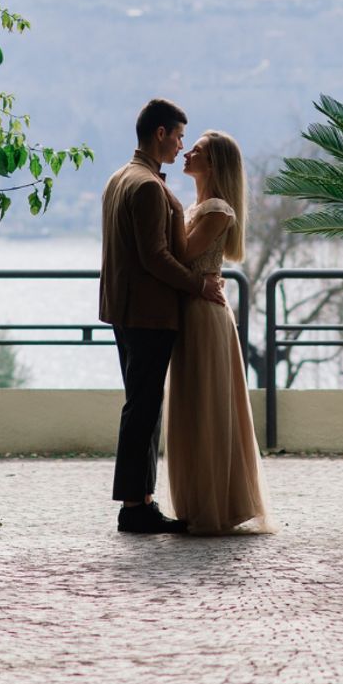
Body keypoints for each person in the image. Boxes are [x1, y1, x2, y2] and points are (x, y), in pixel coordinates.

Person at [100, 98, 224, 535]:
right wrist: (199, 285)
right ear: (160, 134)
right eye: (178, 137)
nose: (180, 145)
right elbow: (156, 257)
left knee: (141, 406)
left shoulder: (120, 178)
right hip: (148, 314)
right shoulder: (149, 186)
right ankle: (134, 506)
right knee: (143, 408)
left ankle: (142, 500)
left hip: (123, 310)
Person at [164, 130, 274, 535]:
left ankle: (215, 504)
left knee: (208, 407)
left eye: (198, 151)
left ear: (214, 165)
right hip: (194, 310)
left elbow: (185, 255)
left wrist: (168, 209)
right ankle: (199, 501)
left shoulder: (215, 210)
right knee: (196, 407)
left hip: (204, 314)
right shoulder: (198, 208)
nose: (187, 152)